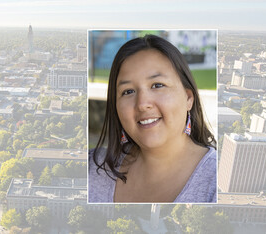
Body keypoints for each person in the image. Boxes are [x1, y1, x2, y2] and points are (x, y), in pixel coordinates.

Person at [89, 34, 216, 203]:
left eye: (157, 85)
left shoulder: (217, 183)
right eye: (128, 91)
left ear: (188, 98)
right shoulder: (92, 168)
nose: (142, 104)